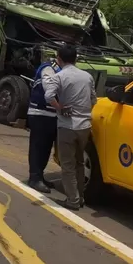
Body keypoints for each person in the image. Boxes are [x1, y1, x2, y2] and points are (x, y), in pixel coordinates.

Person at [43, 45, 97, 210]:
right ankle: (80, 197)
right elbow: (93, 99)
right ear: (76, 59)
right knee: (79, 162)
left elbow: (48, 96)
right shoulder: (87, 77)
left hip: (67, 126)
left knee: (67, 165)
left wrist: (60, 107)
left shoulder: (59, 76)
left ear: (59, 59)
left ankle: (72, 200)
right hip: (85, 126)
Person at [26, 58, 61, 193]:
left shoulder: (60, 69)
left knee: (46, 148)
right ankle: (34, 178)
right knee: (37, 146)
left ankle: (40, 176)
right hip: (40, 113)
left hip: (52, 114)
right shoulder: (49, 68)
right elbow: (49, 89)